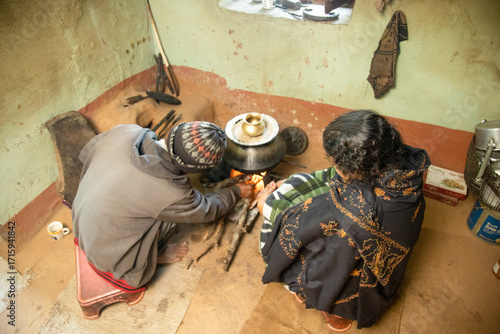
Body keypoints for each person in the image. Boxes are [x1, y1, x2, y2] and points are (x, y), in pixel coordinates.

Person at [257, 110, 430, 331]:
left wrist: (268, 207)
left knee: (320, 255)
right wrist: (295, 182)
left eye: (337, 162)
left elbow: (299, 227)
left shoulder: (355, 210)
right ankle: (336, 306)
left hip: (361, 270)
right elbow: (333, 176)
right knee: (334, 240)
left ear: (355, 169)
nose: (335, 166)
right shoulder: (402, 167)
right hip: (388, 261)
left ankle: (331, 306)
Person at [72, 121, 252, 292]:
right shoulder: (172, 192)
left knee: (151, 205)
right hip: (108, 255)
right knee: (175, 216)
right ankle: (152, 257)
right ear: (191, 171)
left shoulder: (128, 131)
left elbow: (86, 153)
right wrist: (234, 192)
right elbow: (206, 210)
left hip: (82, 221)